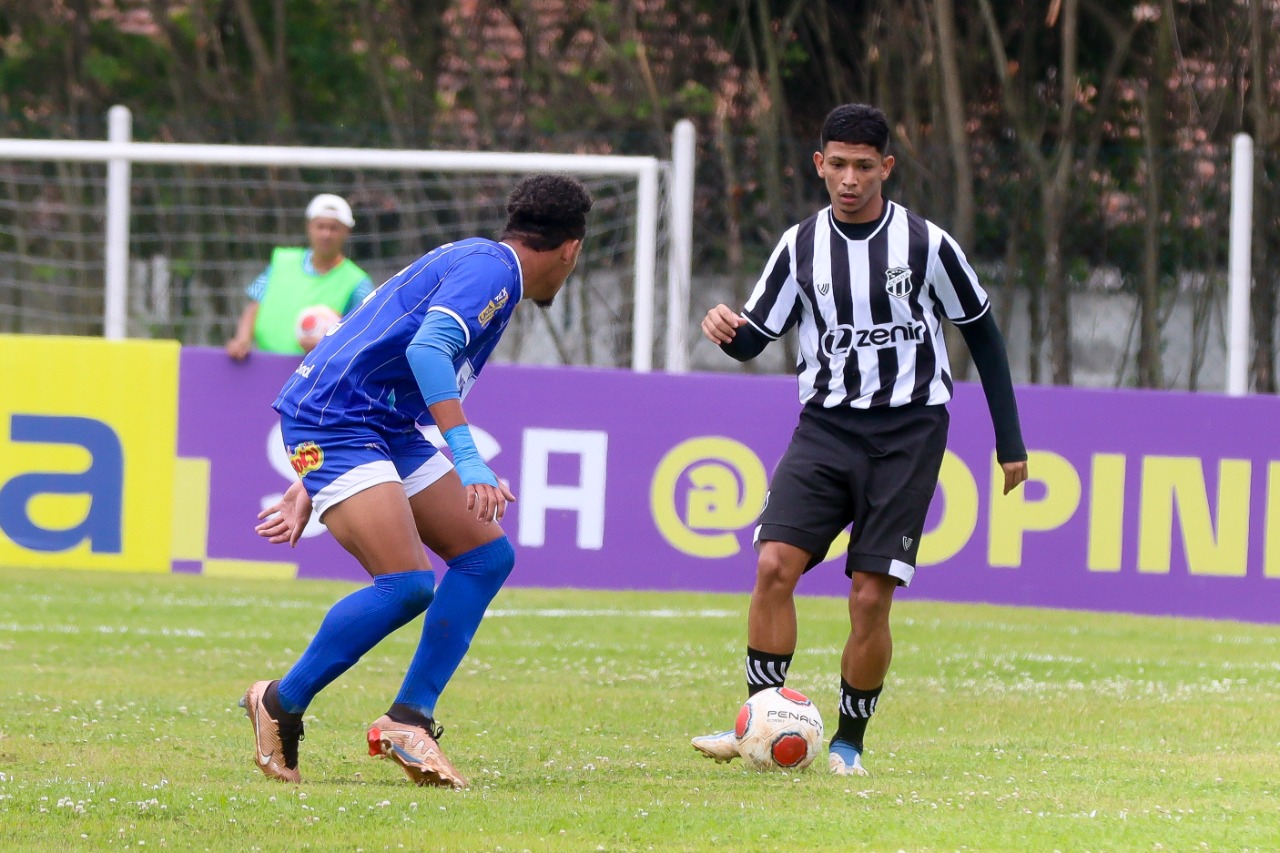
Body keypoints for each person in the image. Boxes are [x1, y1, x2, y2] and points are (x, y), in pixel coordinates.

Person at [691, 104, 1029, 777]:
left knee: (870, 594)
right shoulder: (799, 247)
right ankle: (760, 721)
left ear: (886, 168)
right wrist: (728, 328)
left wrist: (1009, 441)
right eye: (837, 164)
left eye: (863, 166)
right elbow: (758, 335)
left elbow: (983, 333)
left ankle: (849, 743)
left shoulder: (928, 246)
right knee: (772, 565)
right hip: (825, 427)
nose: (849, 179)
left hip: (908, 432)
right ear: (819, 164)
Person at [239, 173, 594, 788]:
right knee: (406, 585)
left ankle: (409, 719)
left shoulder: (481, 264)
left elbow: (372, 339)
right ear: (571, 249)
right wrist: (470, 461)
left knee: (486, 557)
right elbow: (427, 353)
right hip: (338, 422)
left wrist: (307, 487)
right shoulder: (493, 273)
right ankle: (279, 702)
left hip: (373, 422)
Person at [225, 193, 375, 359]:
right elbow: (255, 305)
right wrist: (242, 340)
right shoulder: (282, 261)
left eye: (334, 228)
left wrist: (331, 344)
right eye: (321, 226)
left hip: (316, 373)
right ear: (309, 227)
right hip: (265, 363)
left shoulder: (358, 282)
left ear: (347, 232)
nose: (326, 234)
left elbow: (365, 331)